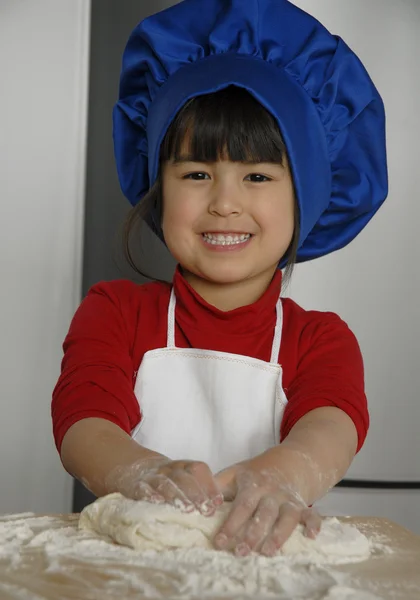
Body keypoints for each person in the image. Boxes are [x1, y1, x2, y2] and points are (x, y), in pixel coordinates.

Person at [52, 0, 388, 557]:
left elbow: (331, 426)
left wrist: (285, 474)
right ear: (158, 188)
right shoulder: (114, 312)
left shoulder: (321, 341)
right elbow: (83, 420)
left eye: (257, 175)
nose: (225, 203)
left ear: (306, 197)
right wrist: (139, 472)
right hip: (131, 574)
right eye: (197, 173)